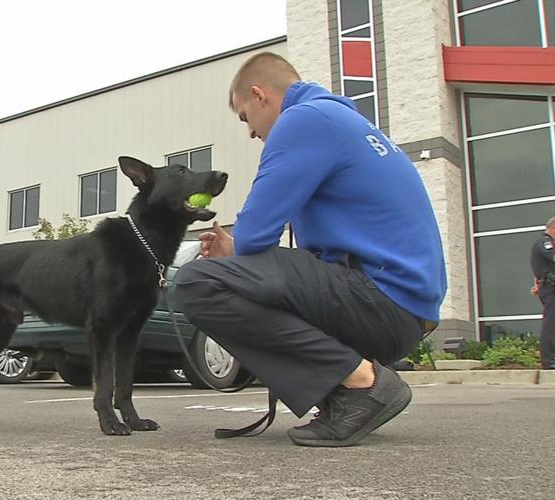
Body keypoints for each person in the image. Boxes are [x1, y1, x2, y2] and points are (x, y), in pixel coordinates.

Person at [173, 52, 447, 447]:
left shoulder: (304, 120)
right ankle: (346, 396)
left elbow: (254, 236)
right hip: (401, 307)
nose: (250, 133)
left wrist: (235, 252)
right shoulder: (342, 121)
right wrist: (240, 254)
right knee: (239, 278)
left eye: (245, 117)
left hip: (381, 301)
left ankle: (363, 384)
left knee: (198, 282)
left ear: (259, 94)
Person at [530, 217, 555, 369]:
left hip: (549, 288)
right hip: (550, 289)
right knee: (550, 324)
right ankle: (549, 360)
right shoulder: (544, 243)